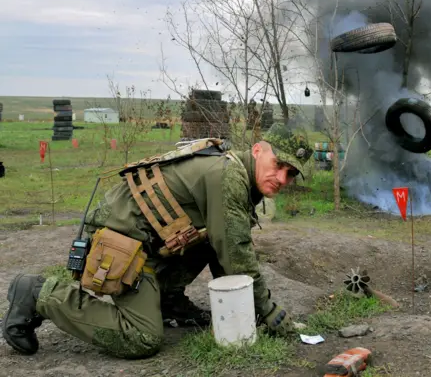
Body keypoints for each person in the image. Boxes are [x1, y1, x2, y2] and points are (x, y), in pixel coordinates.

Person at [2, 123, 313, 359]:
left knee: (210, 238)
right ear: (258, 150)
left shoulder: (234, 171)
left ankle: (167, 300)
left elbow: (223, 251)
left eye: (291, 174)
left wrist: (247, 310)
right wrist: (270, 313)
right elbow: (237, 255)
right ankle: (39, 294)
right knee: (143, 338)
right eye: (278, 165)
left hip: (149, 241)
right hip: (120, 243)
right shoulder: (230, 176)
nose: (282, 179)